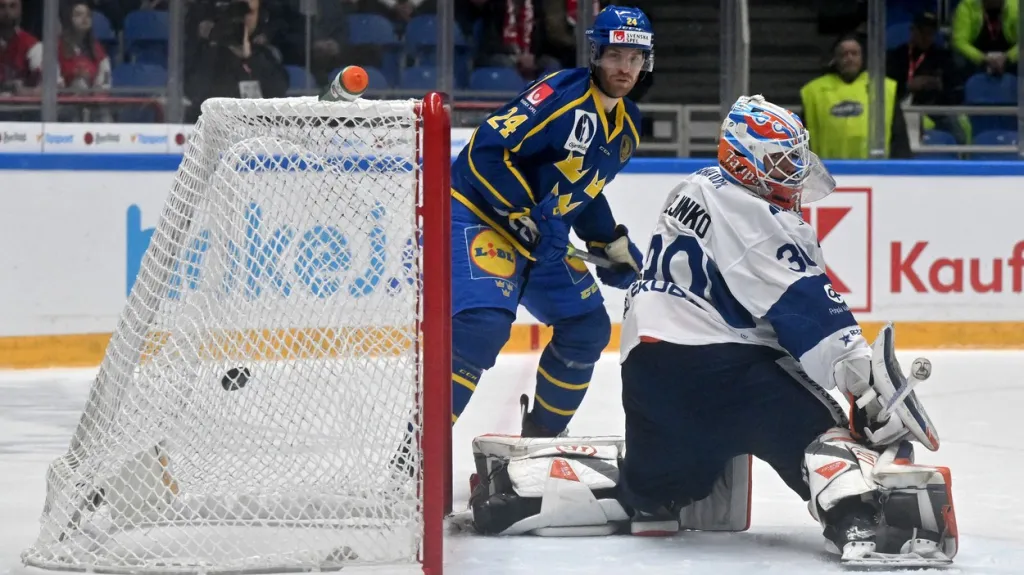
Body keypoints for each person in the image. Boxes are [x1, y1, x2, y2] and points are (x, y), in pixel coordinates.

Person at [615, 94, 958, 566]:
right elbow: (811, 315)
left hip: (645, 373)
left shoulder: (692, 187)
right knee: (826, 431)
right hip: (723, 370)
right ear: (744, 158)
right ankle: (862, 517)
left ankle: (650, 494)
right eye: (780, 160)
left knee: (670, 481)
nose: (793, 172)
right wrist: (866, 392)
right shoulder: (762, 216)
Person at [448, 5, 652, 437]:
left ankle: (537, 446)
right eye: (616, 56)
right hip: (480, 214)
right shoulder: (560, 95)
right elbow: (485, 152)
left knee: (587, 327)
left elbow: (583, 188)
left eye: (635, 58)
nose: (625, 67)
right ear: (596, 55)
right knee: (483, 326)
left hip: (541, 234)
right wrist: (526, 219)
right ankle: (414, 457)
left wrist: (607, 242)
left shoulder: (628, 126)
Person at [800, 34, 912, 159]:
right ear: (835, 58)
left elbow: (899, 137)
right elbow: (803, 138)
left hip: (874, 170)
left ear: (862, 57)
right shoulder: (814, 91)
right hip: (827, 170)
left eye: (854, 53)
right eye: (844, 54)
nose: (849, 58)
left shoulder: (883, 88)